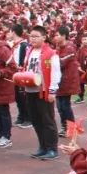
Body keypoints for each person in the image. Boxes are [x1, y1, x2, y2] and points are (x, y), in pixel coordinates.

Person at [23, 25, 61, 160]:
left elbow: (56, 73)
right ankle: (43, 146)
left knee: (47, 119)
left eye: (36, 36)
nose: (32, 39)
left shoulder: (51, 53)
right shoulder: (29, 51)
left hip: (43, 91)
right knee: (36, 119)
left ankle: (52, 148)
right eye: (31, 36)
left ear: (44, 38)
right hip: (30, 90)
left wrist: (52, 91)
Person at [54, 27, 80, 130]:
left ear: (64, 36)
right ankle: (65, 126)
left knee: (65, 105)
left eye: (57, 35)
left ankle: (70, 127)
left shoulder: (70, 48)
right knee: (60, 106)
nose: (55, 37)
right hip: (60, 81)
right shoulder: (58, 46)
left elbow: (60, 62)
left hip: (67, 81)